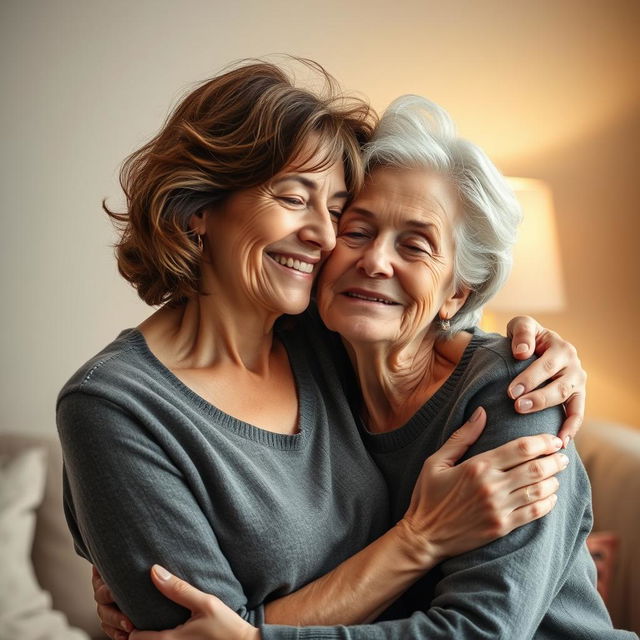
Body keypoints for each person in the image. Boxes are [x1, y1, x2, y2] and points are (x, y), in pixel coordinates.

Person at [58, 61, 586, 640]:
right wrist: (419, 537)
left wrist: (258, 637)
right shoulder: (120, 403)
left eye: (336, 211)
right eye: (293, 198)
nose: (328, 237)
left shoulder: (491, 381)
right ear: (197, 208)